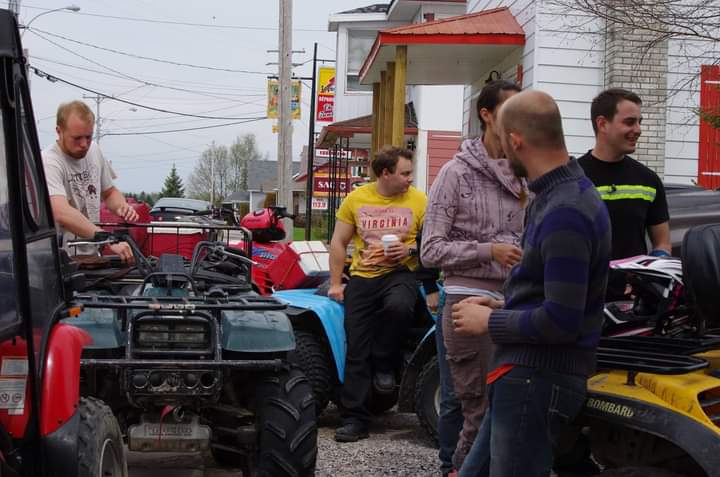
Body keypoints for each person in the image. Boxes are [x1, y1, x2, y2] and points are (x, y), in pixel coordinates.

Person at [452, 90, 611, 477]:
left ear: (516, 139)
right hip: (526, 375)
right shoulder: (554, 196)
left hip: (537, 380)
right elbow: (555, 298)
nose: (502, 151)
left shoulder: (566, 211)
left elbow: (561, 321)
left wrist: (489, 323)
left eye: (502, 140)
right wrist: (506, 309)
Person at [421, 80, 526, 473]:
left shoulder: (524, 173)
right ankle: (453, 467)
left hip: (515, 302)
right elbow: (430, 250)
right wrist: (489, 250)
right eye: (509, 110)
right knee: (468, 405)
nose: (519, 120)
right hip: (465, 299)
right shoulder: (455, 173)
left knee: (507, 403)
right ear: (486, 114)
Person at [328, 146, 427, 442]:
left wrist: (408, 248)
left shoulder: (420, 201)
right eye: (405, 173)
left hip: (401, 273)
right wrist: (335, 283)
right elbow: (338, 241)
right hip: (363, 277)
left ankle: (385, 362)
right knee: (357, 346)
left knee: (399, 307)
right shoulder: (356, 199)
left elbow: (435, 244)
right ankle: (355, 419)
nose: (410, 178)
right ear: (386, 173)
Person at [578, 88, 670, 300]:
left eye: (640, 121)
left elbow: (662, 243)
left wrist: (650, 278)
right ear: (602, 124)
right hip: (581, 300)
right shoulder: (574, 179)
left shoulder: (648, 181)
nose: (638, 129)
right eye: (629, 122)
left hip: (632, 303)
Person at [42, 101, 138, 262]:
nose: (84, 144)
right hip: (60, 259)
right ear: (59, 131)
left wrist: (121, 207)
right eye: (77, 138)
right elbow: (61, 212)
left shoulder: (94, 150)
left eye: (88, 136)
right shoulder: (49, 162)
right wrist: (107, 238)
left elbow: (109, 192)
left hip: (91, 254)